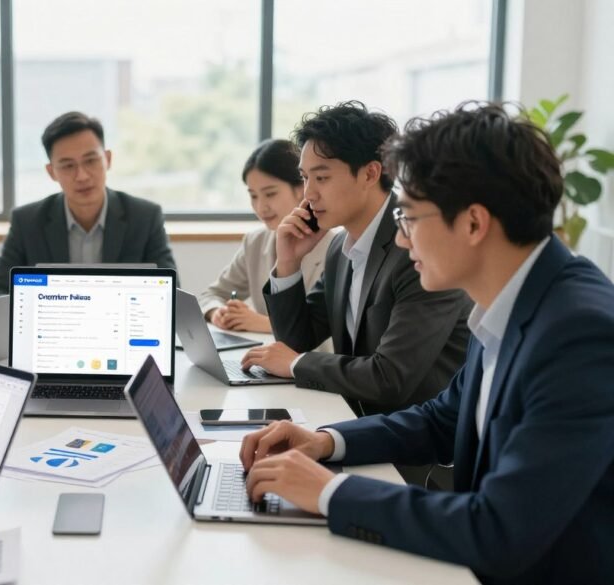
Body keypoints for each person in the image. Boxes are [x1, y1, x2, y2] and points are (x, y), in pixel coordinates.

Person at [238, 103, 614, 584]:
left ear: (473, 224)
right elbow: (442, 418)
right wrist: (326, 441)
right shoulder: (515, 299)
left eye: (410, 217)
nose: (400, 239)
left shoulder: (578, 334)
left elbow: (499, 529)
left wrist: (330, 493)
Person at [242, 101, 472, 417]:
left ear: (370, 173)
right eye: (305, 178)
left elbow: (390, 378)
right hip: (358, 421)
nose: (308, 194)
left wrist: (295, 364)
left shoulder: (419, 250)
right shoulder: (341, 248)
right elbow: (296, 342)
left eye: (322, 178)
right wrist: (288, 263)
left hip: (416, 438)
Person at [0, 111, 177, 315]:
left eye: (91, 161)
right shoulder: (27, 222)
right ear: (51, 172)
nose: (81, 176)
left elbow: (172, 293)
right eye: (68, 166)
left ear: (107, 159)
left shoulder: (145, 217)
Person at [198, 139, 337, 333]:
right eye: (253, 196)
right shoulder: (255, 242)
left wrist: (262, 322)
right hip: (263, 349)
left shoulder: (336, 247)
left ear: (301, 189)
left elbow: (329, 329)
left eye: (270, 194)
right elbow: (211, 295)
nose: (261, 207)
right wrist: (218, 313)